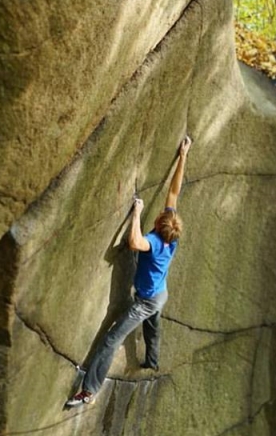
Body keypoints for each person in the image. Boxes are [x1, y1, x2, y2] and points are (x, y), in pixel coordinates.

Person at [65, 135, 191, 408]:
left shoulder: (156, 243)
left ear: (159, 225)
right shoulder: (172, 238)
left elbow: (135, 242)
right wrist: (183, 156)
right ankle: (153, 360)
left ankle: (89, 390)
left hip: (146, 301)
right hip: (159, 293)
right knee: (154, 325)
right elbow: (174, 192)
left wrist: (137, 212)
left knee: (112, 338)